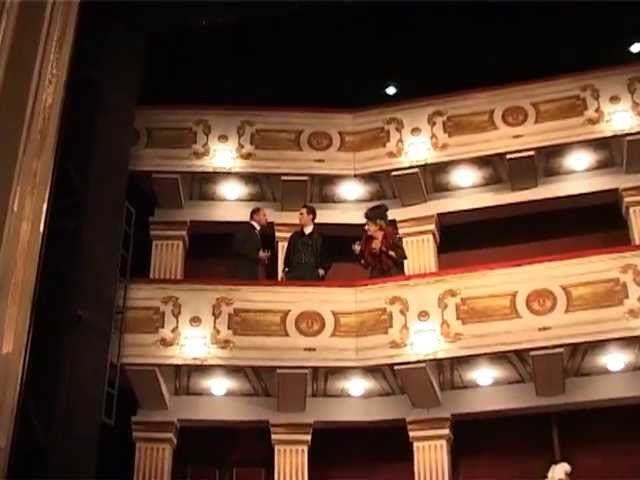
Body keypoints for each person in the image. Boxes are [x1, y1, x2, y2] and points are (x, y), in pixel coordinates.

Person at [353, 203, 407, 278]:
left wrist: (383, 249)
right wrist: (359, 253)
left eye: (368, 225)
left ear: (378, 224)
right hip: (376, 278)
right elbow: (365, 265)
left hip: (394, 276)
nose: (365, 228)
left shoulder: (392, 237)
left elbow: (400, 257)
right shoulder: (366, 241)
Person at [283, 204, 331, 281]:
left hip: (313, 276)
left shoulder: (320, 236)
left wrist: (322, 270)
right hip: (294, 275)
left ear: (310, 216)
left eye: (302, 214)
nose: (299, 217)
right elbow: (288, 255)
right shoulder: (294, 236)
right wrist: (286, 270)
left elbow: (326, 257)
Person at [232, 206, 271, 280]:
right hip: (245, 274)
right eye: (264, 215)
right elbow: (237, 247)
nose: (266, 218)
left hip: (254, 273)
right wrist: (257, 255)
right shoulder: (245, 229)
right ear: (255, 216)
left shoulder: (258, 232)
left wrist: (262, 256)